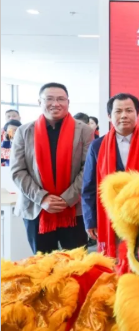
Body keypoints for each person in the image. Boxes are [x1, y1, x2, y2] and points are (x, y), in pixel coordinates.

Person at [10, 83, 93, 253]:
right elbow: (18, 171)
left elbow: (89, 169)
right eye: (49, 99)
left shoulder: (84, 131)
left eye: (61, 99)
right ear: (39, 102)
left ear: (68, 102)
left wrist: (66, 199)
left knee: (76, 263)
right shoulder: (24, 131)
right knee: (42, 263)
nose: (55, 103)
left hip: (73, 210)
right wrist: (42, 198)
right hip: (37, 208)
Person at [82, 93, 139, 258]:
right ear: (109, 116)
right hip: (110, 217)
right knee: (114, 262)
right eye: (118, 111)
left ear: (137, 114)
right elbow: (89, 186)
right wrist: (90, 220)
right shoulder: (97, 146)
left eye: (129, 110)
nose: (124, 115)